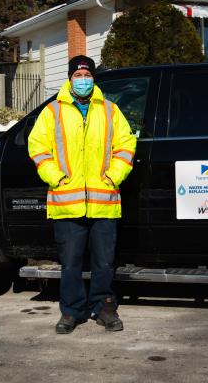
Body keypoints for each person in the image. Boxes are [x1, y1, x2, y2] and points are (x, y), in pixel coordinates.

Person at [28, 55, 136, 334]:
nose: (84, 80)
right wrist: (56, 177)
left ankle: (104, 307)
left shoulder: (110, 110)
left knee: (103, 262)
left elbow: (126, 145)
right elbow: (38, 147)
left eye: (87, 75)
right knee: (71, 263)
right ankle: (71, 311)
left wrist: (113, 176)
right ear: (70, 78)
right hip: (67, 201)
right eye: (78, 76)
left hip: (103, 202)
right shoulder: (52, 112)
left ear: (93, 78)